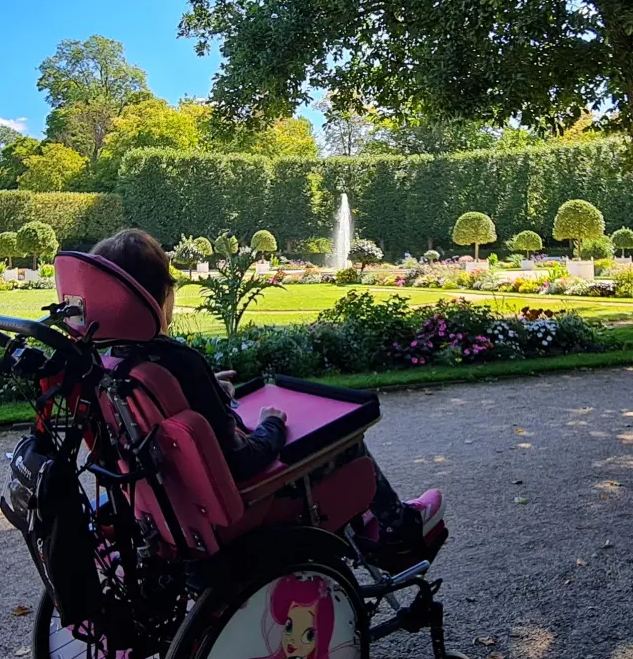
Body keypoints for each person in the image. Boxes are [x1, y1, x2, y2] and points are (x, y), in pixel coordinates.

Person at [89, 229, 442, 541]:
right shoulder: (179, 362)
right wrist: (272, 423)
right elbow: (245, 462)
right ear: (162, 293)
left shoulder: (113, 364)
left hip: (176, 510)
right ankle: (398, 526)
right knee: (344, 440)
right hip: (244, 507)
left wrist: (208, 391)